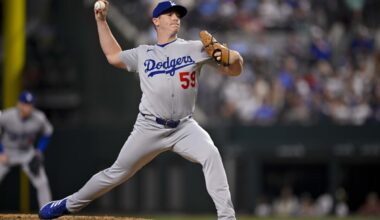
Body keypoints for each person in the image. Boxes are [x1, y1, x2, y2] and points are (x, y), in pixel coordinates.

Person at [39, 0, 243, 219]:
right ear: (156, 20)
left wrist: (229, 56)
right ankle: (68, 204)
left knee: (211, 154)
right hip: (149, 127)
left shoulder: (195, 48)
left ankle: (227, 217)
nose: (175, 18)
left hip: (184, 127)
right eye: (169, 14)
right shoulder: (144, 53)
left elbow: (234, 69)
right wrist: (101, 21)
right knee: (115, 173)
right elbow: (112, 56)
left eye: (177, 14)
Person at [0, 91, 53, 208]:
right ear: (18, 104)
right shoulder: (7, 116)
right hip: (7, 152)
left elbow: (48, 133)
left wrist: (39, 151)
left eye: (30, 104)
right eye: (25, 104)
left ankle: (47, 211)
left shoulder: (39, 118)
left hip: (27, 153)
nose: (27, 107)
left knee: (42, 182)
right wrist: (1, 152)